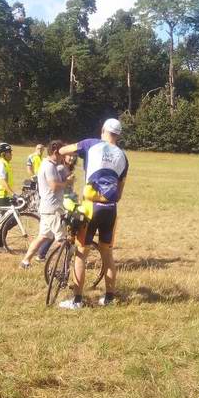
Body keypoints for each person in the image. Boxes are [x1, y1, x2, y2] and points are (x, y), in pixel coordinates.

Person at [57, 118, 128, 309]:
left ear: (103, 130)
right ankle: (109, 299)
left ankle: (77, 300)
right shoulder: (123, 156)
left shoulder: (91, 144)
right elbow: (120, 192)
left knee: (81, 253)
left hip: (90, 207)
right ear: (118, 135)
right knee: (107, 254)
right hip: (111, 209)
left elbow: (64, 151)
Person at [20, 140, 73, 269]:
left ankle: (25, 262)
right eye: (62, 153)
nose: (64, 156)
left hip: (47, 207)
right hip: (53, 209)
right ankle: (65, 267)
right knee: (63, 241)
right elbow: (54, 186)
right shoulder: (49, 166)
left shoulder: (52, 164)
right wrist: (67, 182)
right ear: (55, 152)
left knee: (43, 236)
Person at [0, 142, 15, 251]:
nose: (11, 154)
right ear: (3, 154)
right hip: (1, 195)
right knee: (11, 218)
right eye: (9, 152)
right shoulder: (1, 163)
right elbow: (2, 180)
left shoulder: (5, 163)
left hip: (3, 195)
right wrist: (12, 193)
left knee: (7, 218)